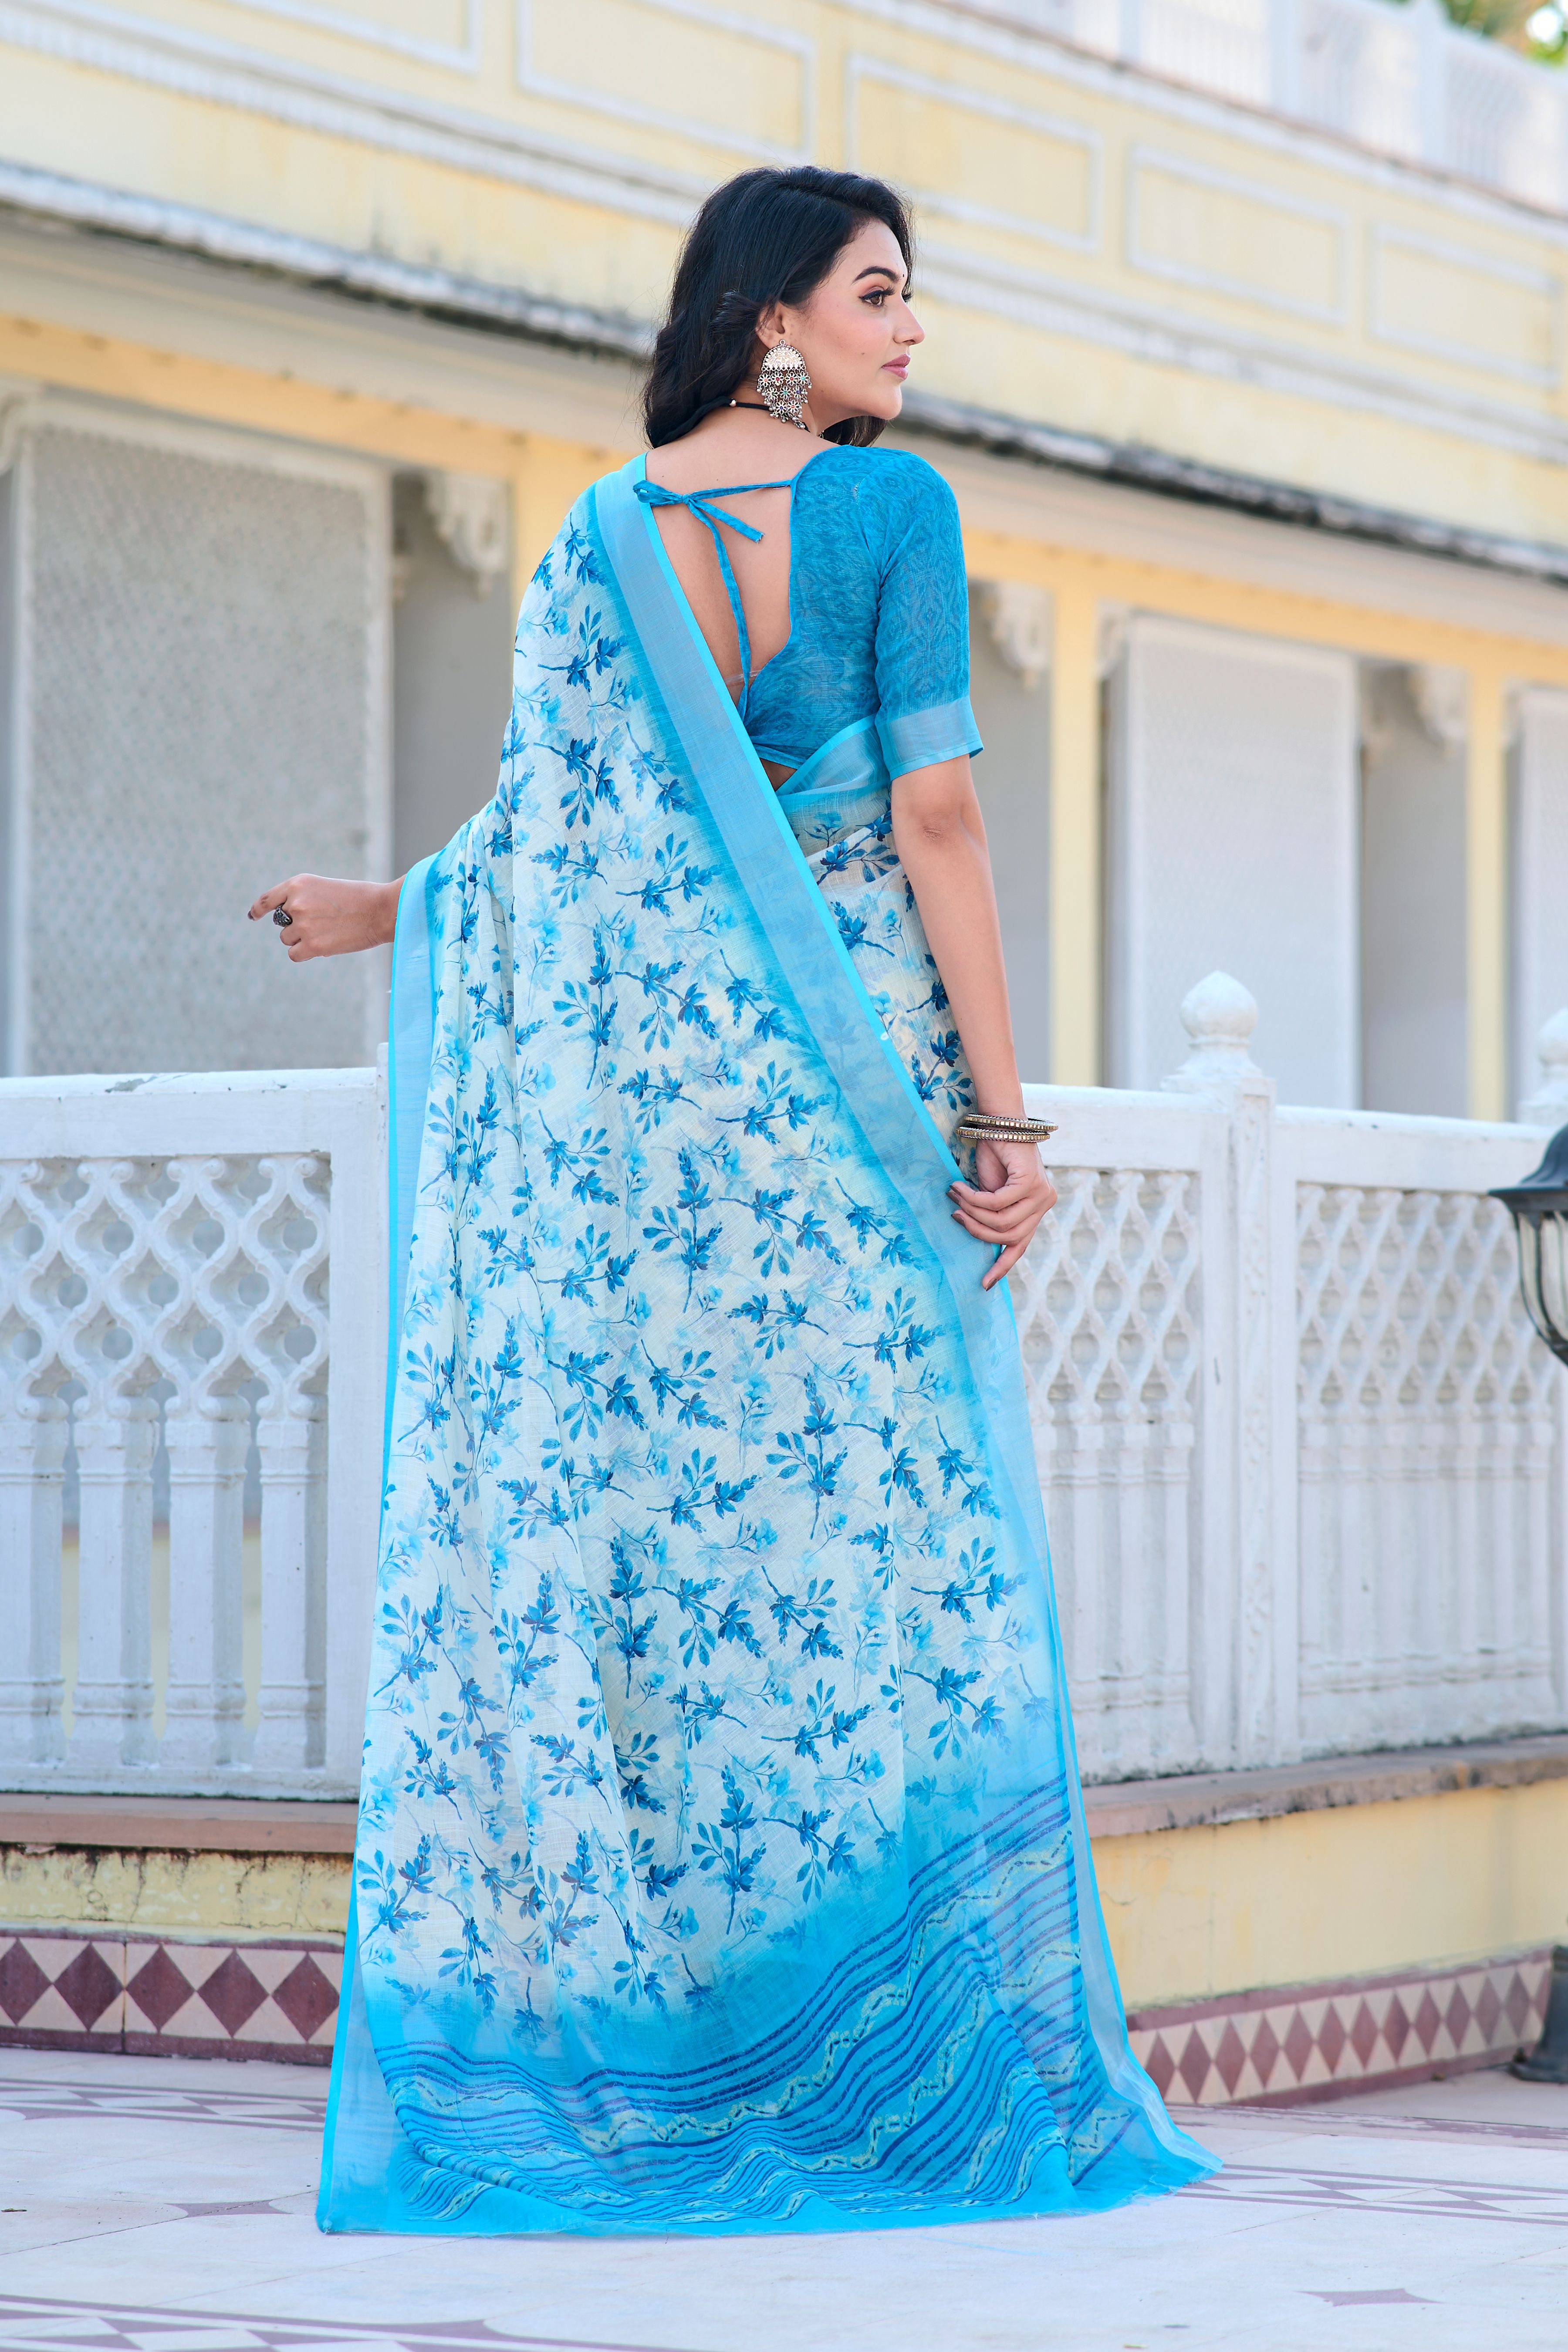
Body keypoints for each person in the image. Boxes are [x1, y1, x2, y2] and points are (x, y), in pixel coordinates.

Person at [252, 163, 1213, 2235]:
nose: (910, 328)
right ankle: (870, 2057)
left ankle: (677, 2045)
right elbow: (939, 822)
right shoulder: (889, 512)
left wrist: (386, 909)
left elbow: (561, 846)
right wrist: (1004, 1123)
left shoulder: (599, 535)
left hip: (654, 1149)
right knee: (864, 1557)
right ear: (777, 314)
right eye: (880, 292)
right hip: (844, 1108)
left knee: (679, 1565)